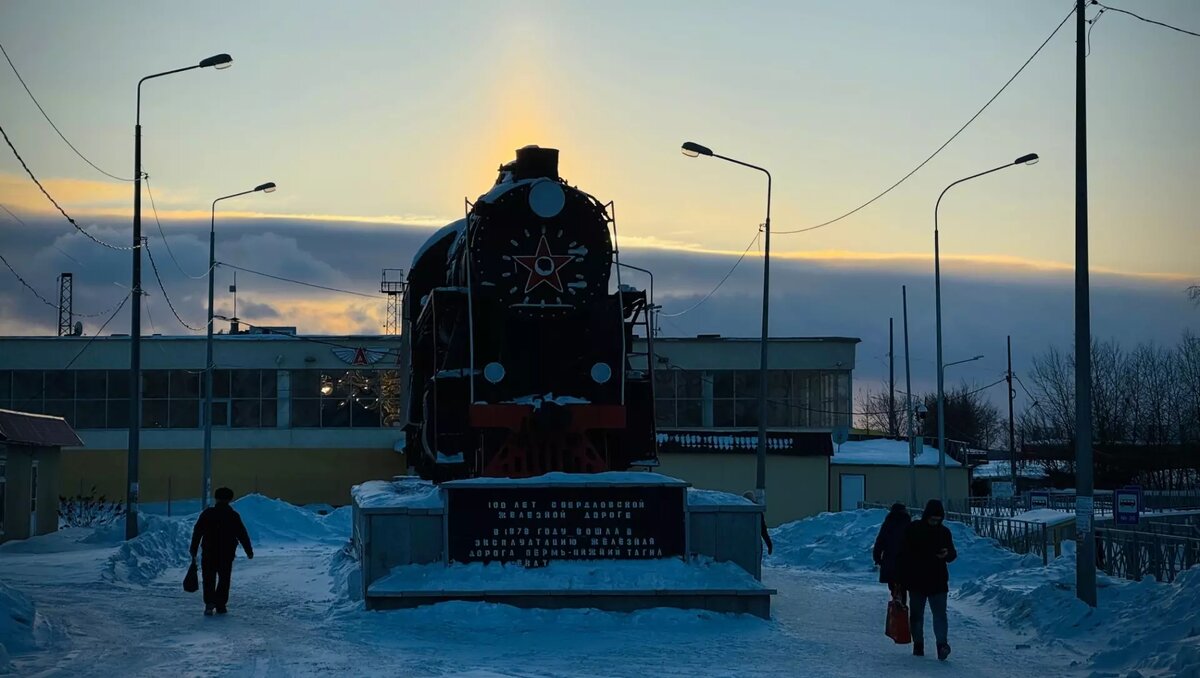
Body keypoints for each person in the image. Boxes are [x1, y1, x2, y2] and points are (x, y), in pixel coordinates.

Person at [900, 499, 957, 661]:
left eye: (938, 520)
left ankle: (942, 645)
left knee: (939, 615)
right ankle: (918, 644)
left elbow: (953, 553)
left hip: (938, 580)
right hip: (917, 579)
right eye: (933, 519)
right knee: (917, 615)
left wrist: (947, 554)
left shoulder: (944, 532)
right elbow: (904, 553)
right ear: (926, 516)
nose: (935, 522)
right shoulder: (913, 529)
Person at [190, 487, 254, 616]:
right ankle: (221, 605)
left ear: (216, 498)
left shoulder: (208, 513)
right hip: (226, 552)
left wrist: (194, 548)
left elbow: (198, 531)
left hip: (209, 551)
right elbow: (242, 533)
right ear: (230, 499)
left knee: (208, 578)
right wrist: (248, 550)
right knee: (224, 578)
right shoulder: (233, 515)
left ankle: (209, 604)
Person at [872, 502, 911, 604]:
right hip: (904, 562)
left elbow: (880, 542)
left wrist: (877, 558)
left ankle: (895, 605)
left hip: (890, 561)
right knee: (903, 587)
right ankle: (902, 608)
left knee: (893, 585)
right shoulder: (908, 523)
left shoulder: (888, 523)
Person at [743, 491, 774, 556]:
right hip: (755, 543)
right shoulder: (757, 512)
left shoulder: (740, 512)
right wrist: (769, 545)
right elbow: (763, 530)